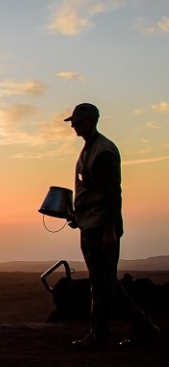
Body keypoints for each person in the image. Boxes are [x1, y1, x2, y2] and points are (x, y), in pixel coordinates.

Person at [65, 103, 160, 350]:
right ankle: (129, 329)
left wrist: (109, 230)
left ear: (90, 121)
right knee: (104, 281)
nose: (73, 125)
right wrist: (77, 215)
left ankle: (111, 333)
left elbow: (111, 193)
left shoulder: (103, 151)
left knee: (102, 282)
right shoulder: (89, 149)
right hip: (91, 224)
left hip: (100, 227)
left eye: (77, 121)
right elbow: (92, 191)